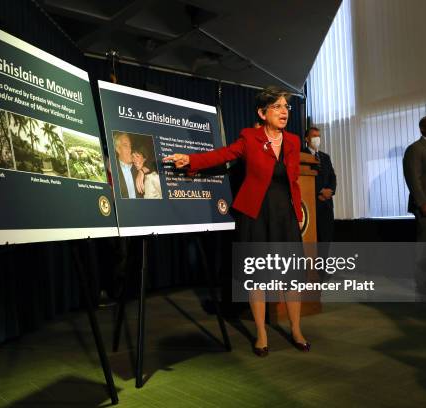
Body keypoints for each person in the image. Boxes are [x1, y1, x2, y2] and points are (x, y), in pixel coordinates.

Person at [164, 86, 310, 355]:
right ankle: (262, 334)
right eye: (276, 106)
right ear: (261, 112)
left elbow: (293, 180)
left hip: (284, 217)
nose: (283, 111)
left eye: (285, 107)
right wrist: (189, 159)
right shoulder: (250, 138)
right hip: (255, 216)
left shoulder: (292, 141)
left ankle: (297, 330)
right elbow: (221, 156)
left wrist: (297, 213)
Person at [304, 127, 336, 243]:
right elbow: (304, 178)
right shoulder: (301, 154)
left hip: (327, 204)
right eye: (314, 136)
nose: (317, 139)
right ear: (306, 139)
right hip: (312, 203)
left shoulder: (325, 157)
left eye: (319, 136)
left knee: (326, 240)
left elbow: (332, 177)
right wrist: (320, 191)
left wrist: (330, 191)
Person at [114, 132, 143, 198]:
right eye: (125, 145)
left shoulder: (138, 166)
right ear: (118, 149)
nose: (130, 149)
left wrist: (142, 171)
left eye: (130, 146)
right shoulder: (113, 169)